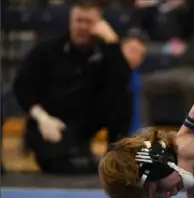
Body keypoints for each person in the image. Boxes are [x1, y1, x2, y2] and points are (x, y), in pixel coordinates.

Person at [13, 0, 137, 174]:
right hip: (51, 121)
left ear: (98, 24)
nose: (83, 27)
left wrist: (112, 42)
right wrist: (42, 119)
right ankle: (79, 156)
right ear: (70, 21)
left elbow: (123, 81)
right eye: (79, 21)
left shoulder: (104, 51)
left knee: (124, 96)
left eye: (89, 22)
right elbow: (21, 87)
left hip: (86, 117)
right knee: (57, 164)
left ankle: (115, 158)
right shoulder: (46, 50)